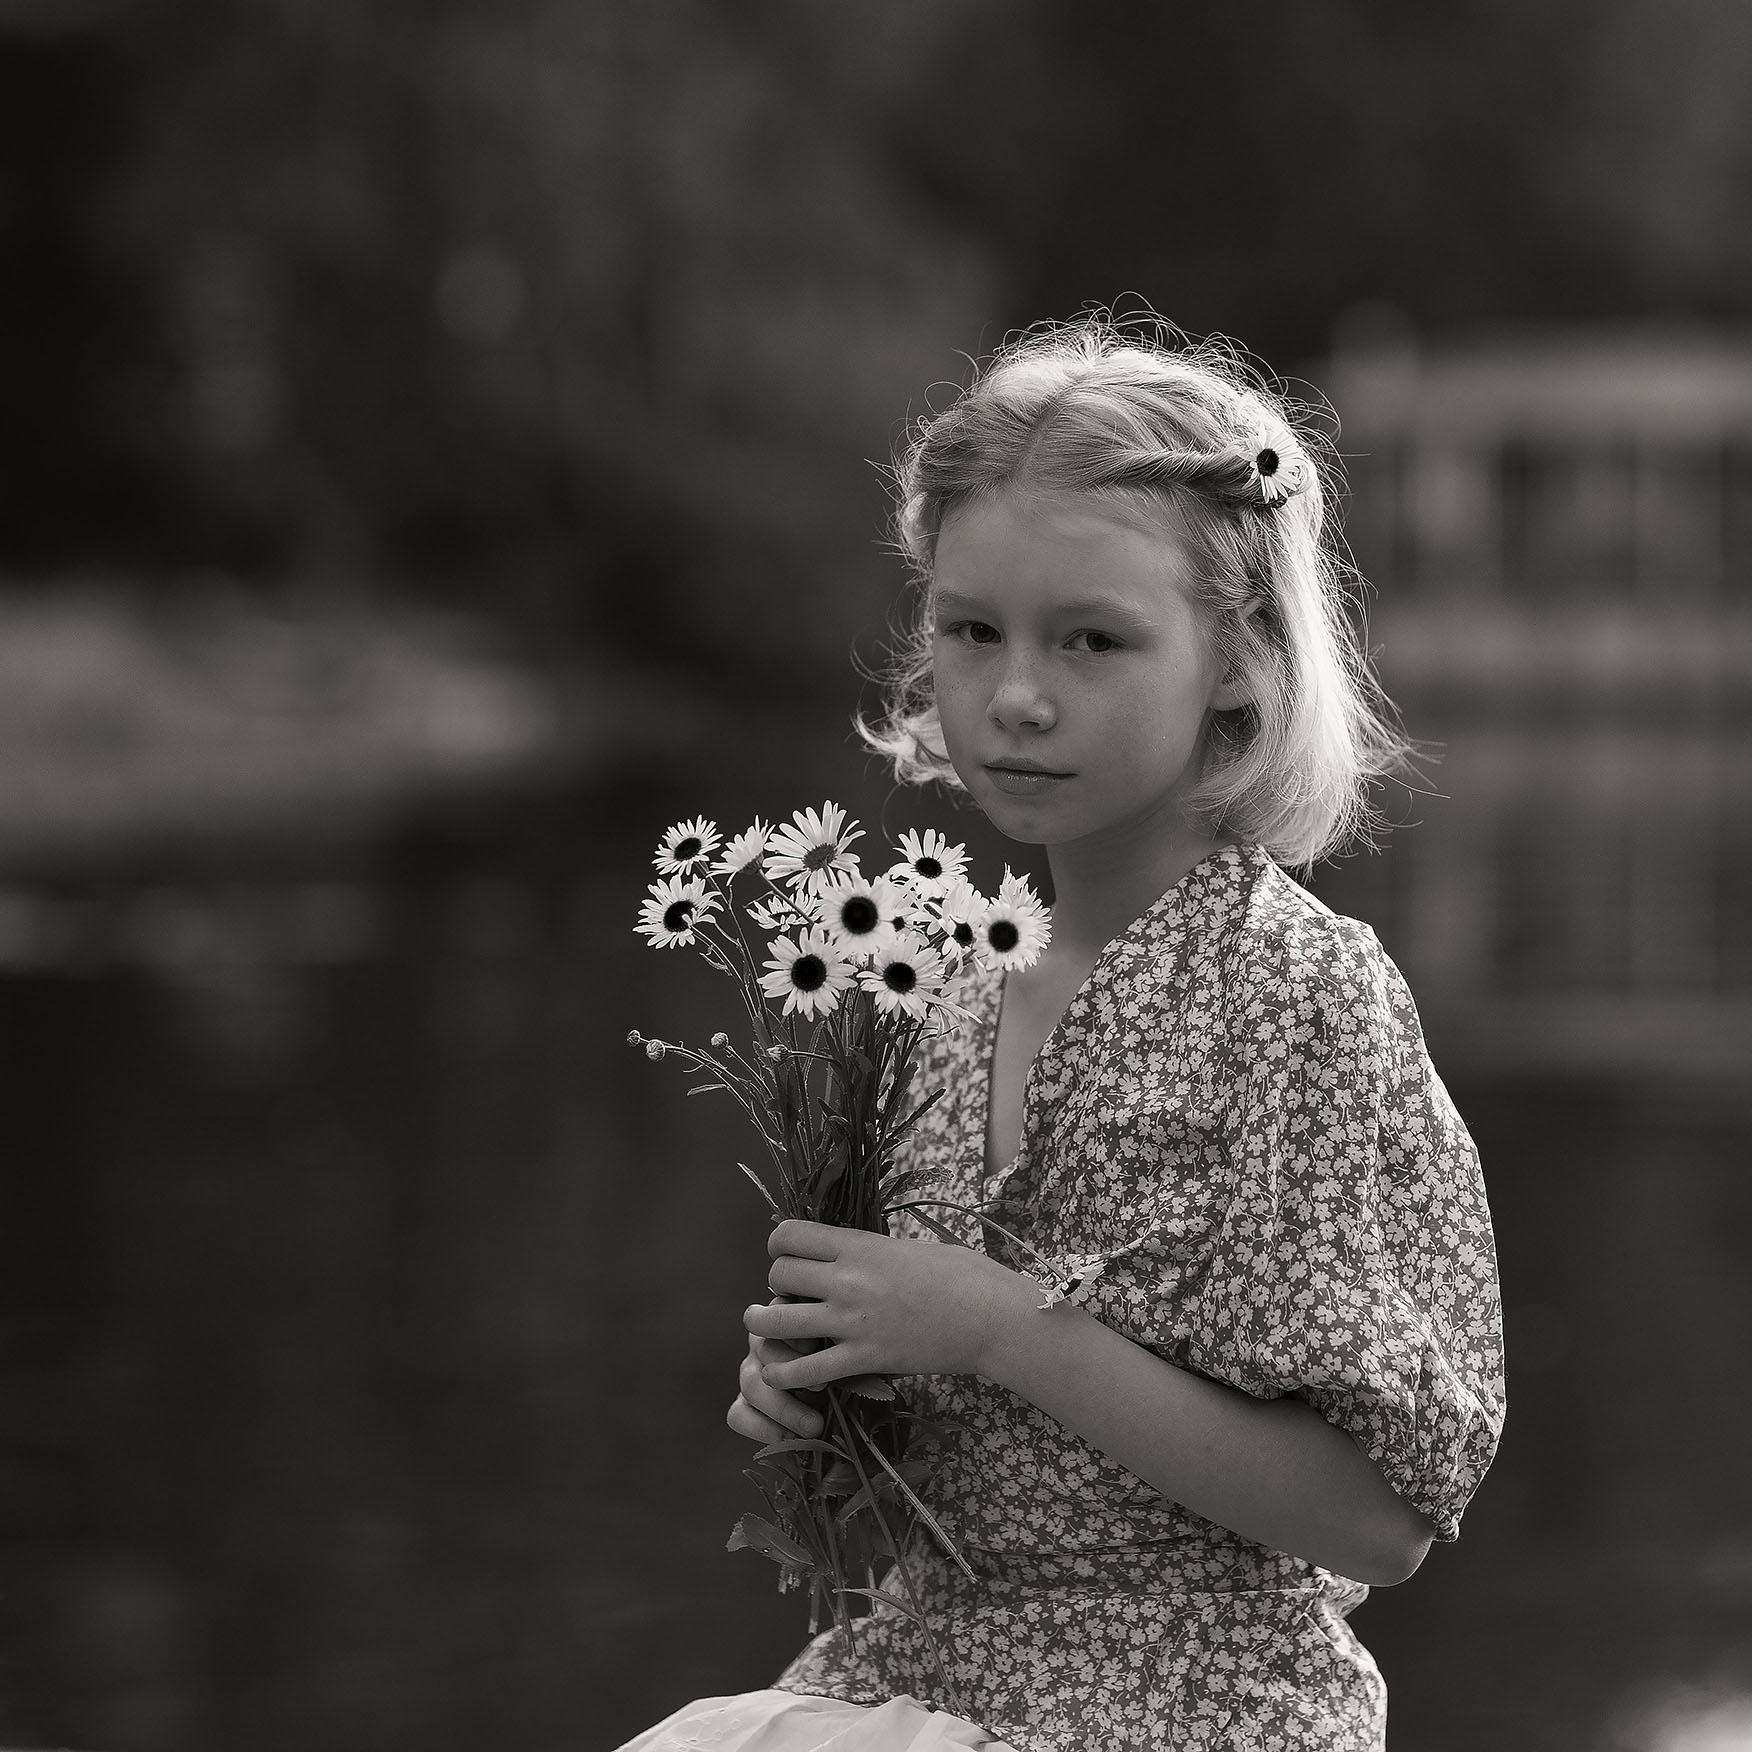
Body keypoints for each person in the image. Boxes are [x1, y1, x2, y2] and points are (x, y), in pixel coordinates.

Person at [618, 318, 1506, 1751]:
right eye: (973, 631)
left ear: (1239, 660)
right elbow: (950, 1444)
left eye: (1092, 639)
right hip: (913, 1677)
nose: (1016, 694)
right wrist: (827, 1395)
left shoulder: (1291, 996)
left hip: (1187, 1707)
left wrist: (998, 1326)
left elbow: (1378, 1518)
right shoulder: (934, 988)